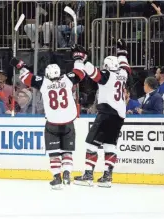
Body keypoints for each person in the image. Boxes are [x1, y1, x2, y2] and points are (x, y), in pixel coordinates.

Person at [10, 45, 87, 189]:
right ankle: (67, 174)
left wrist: (20, 65)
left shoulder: (43, 83)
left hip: (52, 123)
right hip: (69, 122)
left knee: (54, 152)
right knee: (67, 151)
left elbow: (27, 77)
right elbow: (80, 73)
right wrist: (78, 57)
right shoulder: (67, 80)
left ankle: (57, 177)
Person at [73, 39, 132, 188]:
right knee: (110, 145)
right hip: (119, 116)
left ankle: (88, 175)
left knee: (91, 143)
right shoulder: (123, 74)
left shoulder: (107, 76)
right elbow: (125, 64)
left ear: (106, 66)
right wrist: (122, 51)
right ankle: (107, 176)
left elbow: (94, 73)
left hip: (106, 113)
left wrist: (81, 58)